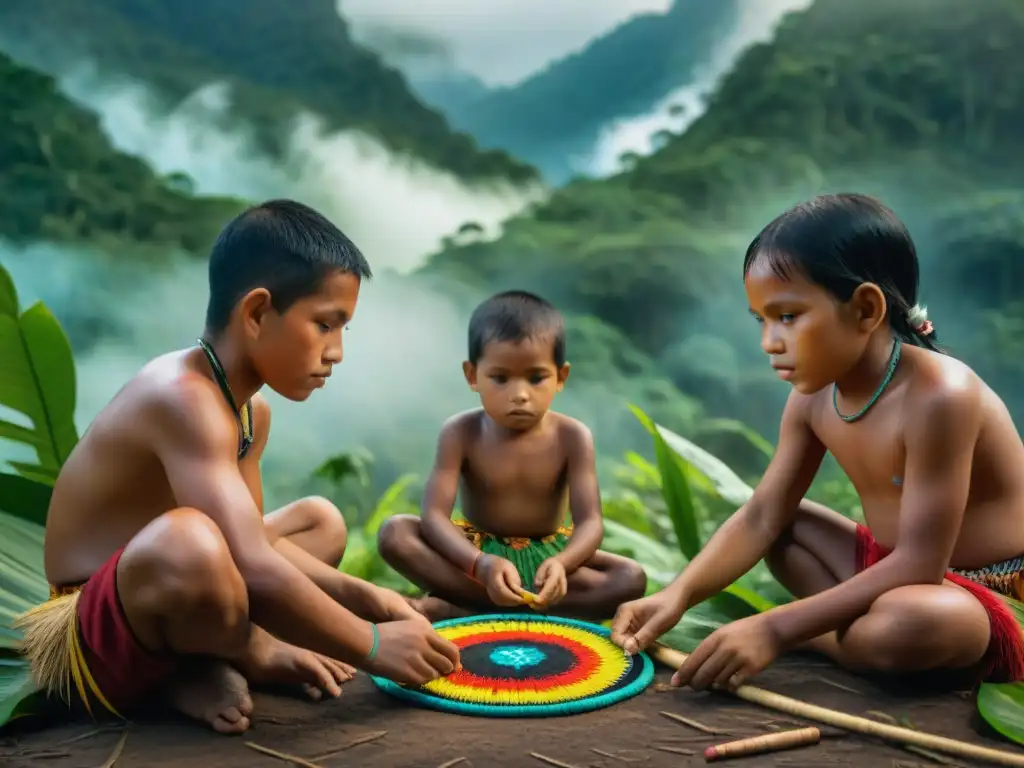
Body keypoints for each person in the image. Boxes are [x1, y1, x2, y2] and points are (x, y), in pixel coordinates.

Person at [15, 199, 461, 734]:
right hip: (95, 627)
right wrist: (372, 643)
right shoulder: (183, 399)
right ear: (255, 314)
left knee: (319, 521)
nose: (337, 351)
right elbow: (247, 562)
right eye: (325, 325)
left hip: (187, 582)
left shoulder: (250, 410)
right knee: (192, 544)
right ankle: (231, 655)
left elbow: (251, 543)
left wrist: (373, 597)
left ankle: (207, 654)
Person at [610, 193, 1024, 691]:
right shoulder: (813, 398)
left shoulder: (942, 397)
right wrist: (676, 596)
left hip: (990, 592)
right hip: (891, 568)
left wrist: (776, 628)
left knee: (913, 624)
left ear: (865, 309)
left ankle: (821, 636)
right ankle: (849, 630)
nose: (769, 341)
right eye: (761, 320)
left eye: (787, 317)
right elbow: (764, 515)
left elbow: (920, 562)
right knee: (783, 527)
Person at [377, 290, 647, 622]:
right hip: (475, 557)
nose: (519, 395)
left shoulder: (572, 437)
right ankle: (519, 605)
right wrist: (481, 564)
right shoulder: (460, 432)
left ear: (560, 377)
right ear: (473, 376)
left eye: (536, 378)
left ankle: (469, 608)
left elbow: (589, 522)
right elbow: (434, 516)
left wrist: (563, 564)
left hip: (547, 559)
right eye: (500, 378)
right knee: (396, 534)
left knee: (629, 578)